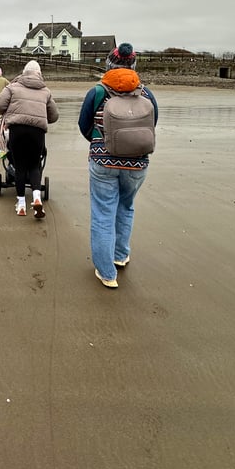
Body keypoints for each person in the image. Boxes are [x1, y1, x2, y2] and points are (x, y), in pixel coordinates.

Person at [77, 42, 158, 289]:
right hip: (137, 163)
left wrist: (100, 142)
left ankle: (106, 272)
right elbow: (152, 124)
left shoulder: (98, 91)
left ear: (109, 64)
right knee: (126, 206)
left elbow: (84, 125)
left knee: (103, 212)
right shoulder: (145, 94)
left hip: (103, 160)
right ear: (133, 65)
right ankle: (120, 256)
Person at [0, 60, 59, 218]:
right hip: (37, 132)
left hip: (17, 130)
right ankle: (37, 198)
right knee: (34, 165)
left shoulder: (12, 87)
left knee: (20, 165)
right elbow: (54, 116)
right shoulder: (45, 91)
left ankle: (21, 204)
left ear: (24, 72)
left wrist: (9, 113)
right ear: (39, 73)